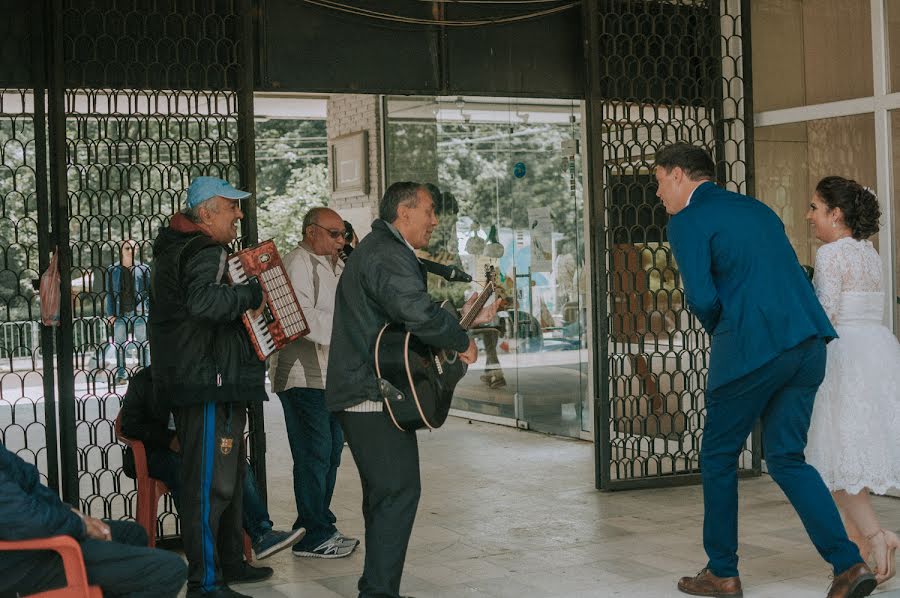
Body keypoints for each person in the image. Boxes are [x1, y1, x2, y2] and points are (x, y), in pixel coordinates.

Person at [656, 143, 875, 598]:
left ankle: (722, 571)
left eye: (659, 180)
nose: (658, 193)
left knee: (717, 456)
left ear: (678, 175)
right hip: (808, 344)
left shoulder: (687, 220)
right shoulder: (756, 209)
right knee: (786, 458)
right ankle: (849, 565)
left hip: (752, 350)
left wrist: (729, 329)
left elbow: (699, 296)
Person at [327, 181, 495, 598]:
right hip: (370, 394)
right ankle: (379, 592)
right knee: (398, 494)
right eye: (429, 211)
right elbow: (414, 310)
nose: (434, 220)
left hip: (374, 388)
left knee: (385, 495)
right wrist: (462, 342)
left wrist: (461, 322)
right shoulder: (386, 253)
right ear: (404, 212)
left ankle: (377, 586)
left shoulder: (385, 249)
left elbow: (402, 320)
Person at [149, 175, 269, 598]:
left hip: (207, 377)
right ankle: (206, 581)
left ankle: (232, 562)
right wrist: (251, 295)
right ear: (205, 214)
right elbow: (203, 303)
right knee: (208, 485)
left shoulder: (179, 248)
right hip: (206, 380)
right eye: (231, 207)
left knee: (230, 478)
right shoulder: (204, 250)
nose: (239, 214)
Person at [804, 176, 900, 585]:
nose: (809, 216)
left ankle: (876, 538)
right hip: (876, 352)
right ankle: (863, 548)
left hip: (842, 356)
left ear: (836, 214)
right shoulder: (868, 252)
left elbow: (824, 314)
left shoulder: (830, 255)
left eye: (814, 208)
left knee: (837, 459)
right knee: (843, 459)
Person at [119, 367, 305, 561]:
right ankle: (203, 549)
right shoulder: (144, 380)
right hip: (156, 451)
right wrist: (169, 440)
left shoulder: (198, 376)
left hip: (196, 445)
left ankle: (263, 534)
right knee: (185, 471)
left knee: (236, 463)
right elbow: (130, 425)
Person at [268, 207, 359, 559]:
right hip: (301, 375)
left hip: (331, 375)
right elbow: (300, 317)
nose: (341, 241)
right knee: (313, 453)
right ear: (311, 232)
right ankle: (311, 533)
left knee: (332, 451)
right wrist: (349, 324)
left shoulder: (338, 266)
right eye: (334, 234)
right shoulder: (297, 264)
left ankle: (321, 524)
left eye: (344, 234)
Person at [0, 442, 186, 597]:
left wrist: (75, 514)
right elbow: (26, 520)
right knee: (170, 570)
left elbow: (29, 481)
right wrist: (80, 525)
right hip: (20, 564)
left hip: (31, 545)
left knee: (133, 534)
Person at [105, 239, 150, 383]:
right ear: (121, 250)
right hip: (119, 313)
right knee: (119, 345)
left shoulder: (143, 268)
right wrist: (110, 313)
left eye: (133, 248)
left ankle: (145, 374)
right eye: (127, 248)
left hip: (139, 313)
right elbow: (110, 293)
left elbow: (149, 292)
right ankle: (121, 375)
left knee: (143, 344)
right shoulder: (113, 270)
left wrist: (145, 308)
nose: (131, 250)